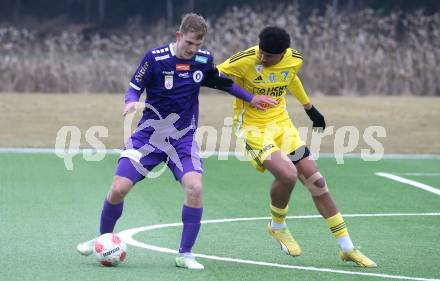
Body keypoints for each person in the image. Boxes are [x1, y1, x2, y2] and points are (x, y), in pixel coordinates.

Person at [76, 13, 276, 270]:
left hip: (182, 140)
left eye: (198, 45)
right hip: (148, 137)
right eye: (190, 43)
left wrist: (251, 98)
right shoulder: (155, 58)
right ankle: (103, 239)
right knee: (117, 189)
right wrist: (130, 101)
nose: (193, 49)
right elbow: (135, 85)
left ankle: (186, 253)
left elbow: (220, 82)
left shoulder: (203, 60)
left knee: (195, 187)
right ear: (179, 36)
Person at [216, 26, 377, 268]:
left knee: (317, 182)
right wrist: (250, 98)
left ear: (283, 53)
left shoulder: (295, 59)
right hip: (252, 129)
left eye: (269, 56)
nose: (262, 57)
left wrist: (310, 108)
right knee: (288, 175)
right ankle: (277, 227)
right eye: (261, 52)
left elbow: (290, 78)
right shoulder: (246, 59)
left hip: (283, 126)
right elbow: (212, 76)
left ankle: (347, 248)